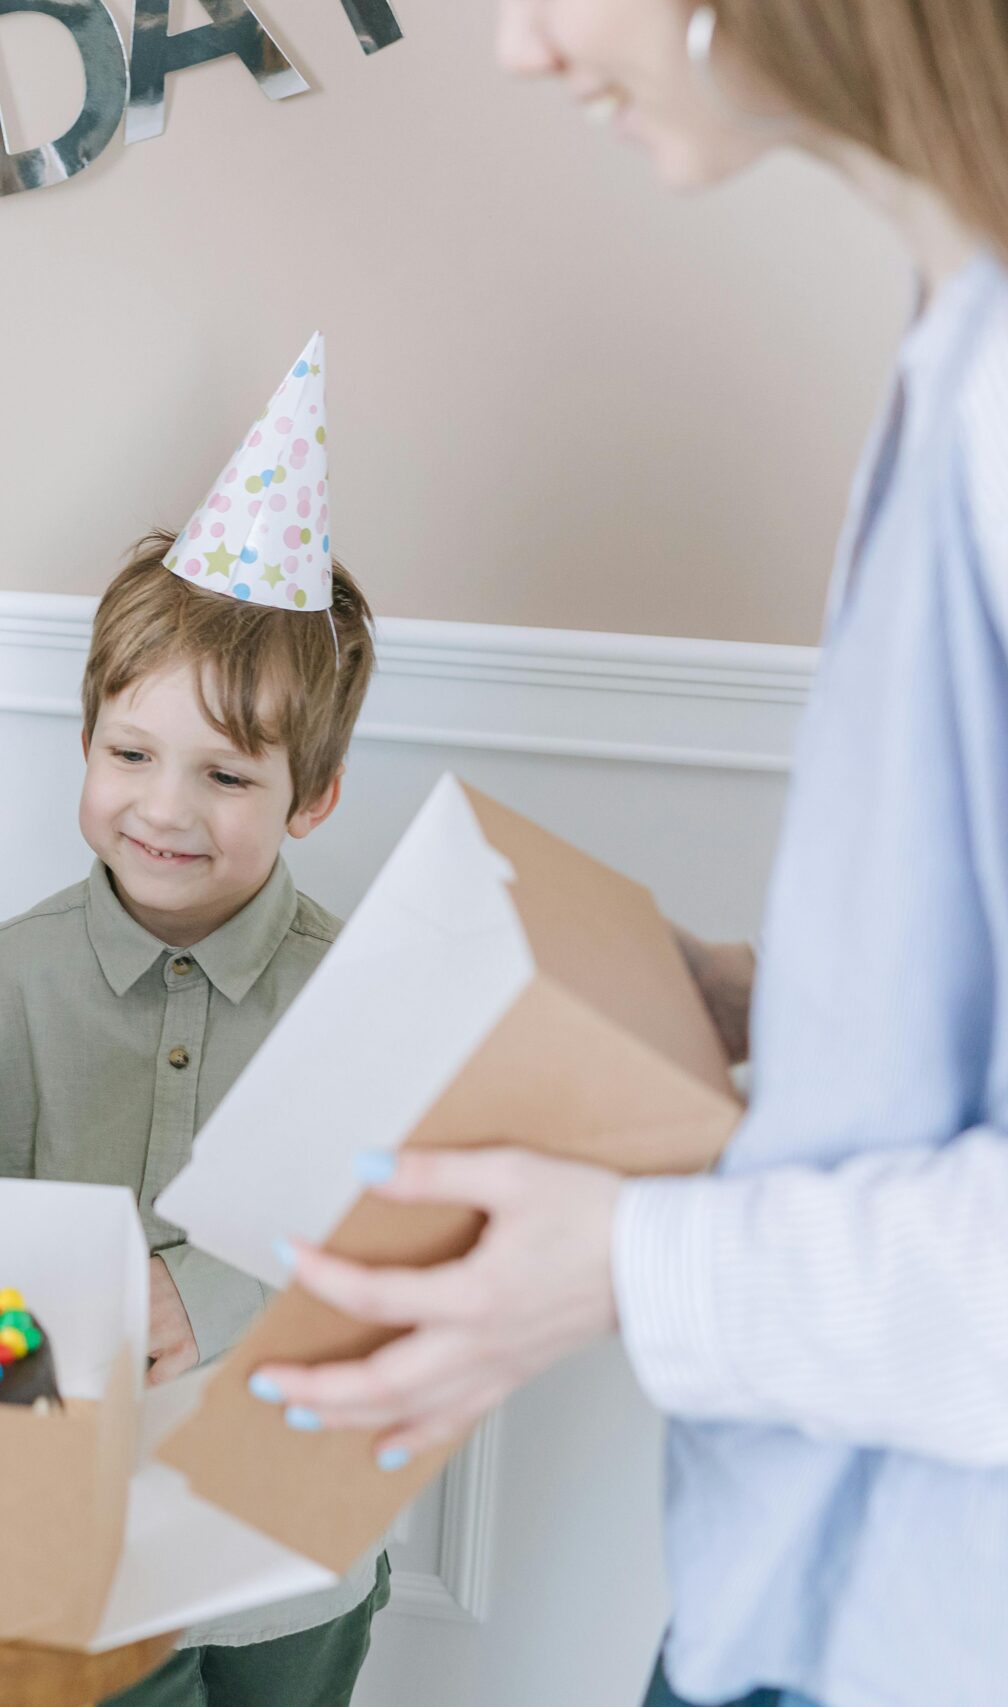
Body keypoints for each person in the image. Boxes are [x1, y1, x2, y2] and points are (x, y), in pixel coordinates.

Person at [242, 8, 1008, 1705]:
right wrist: (758, 995)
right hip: (798, 1584)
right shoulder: (954, 331)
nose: (521, 48)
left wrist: (631, 1261)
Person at [0, 338, 388, 1707]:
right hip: (73, 1520)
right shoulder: (2, 979)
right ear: (86, 741)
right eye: (130, 753)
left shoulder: (358, 996)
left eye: (226, 772)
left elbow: (394, 1228)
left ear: (312, 795)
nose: (164, 807)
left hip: (297, 1539)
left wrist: (204, 1290)